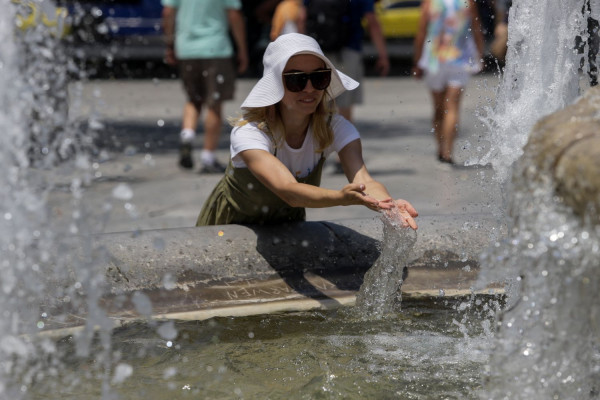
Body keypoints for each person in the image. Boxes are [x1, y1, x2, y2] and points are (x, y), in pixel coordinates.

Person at [196, 33, 418, 229]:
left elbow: (366, 181)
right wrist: (340, 197)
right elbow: (288, 190)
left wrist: (388, 205)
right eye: (297, 80)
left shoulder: (335, 127)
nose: (310, 88)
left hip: (288, 228)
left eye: (319, 77)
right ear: (275, 85)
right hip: (228, 227)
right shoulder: (250, 132)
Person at [161, 0, 248, 173]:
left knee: (193, 99)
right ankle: (208, 157)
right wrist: (243, 49)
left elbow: (168, 13)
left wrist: (170, 43)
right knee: (214, 104)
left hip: (186, 49)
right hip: (216, 48)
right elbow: (234, 15)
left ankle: (187, 135)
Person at [412, 0, 485, 165]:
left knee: (438, 108)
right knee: (452, 107)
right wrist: (479, 55)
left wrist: (416, 62)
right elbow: (476, 29)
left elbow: (421, 32)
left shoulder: (429, 3)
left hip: (434, 60)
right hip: (459, 58)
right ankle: (447, 151)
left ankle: (440, 148)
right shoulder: (468, 2)